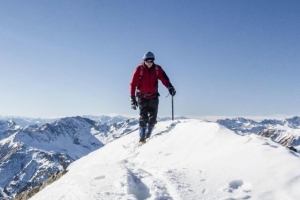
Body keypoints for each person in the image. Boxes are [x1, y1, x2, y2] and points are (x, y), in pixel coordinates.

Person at [130, 52, 176, 143]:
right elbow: (133, 84)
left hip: (153, 96)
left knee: (153, 118)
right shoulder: (139, 69)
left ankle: (148, 136)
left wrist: (170, 87)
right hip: (142, 97)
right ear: (144, 61)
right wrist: (132, 98)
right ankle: (142, 139)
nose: (150, 63)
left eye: (152, 61)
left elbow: (164, 79)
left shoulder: (157, 69)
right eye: (148, 61)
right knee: (143, 118)